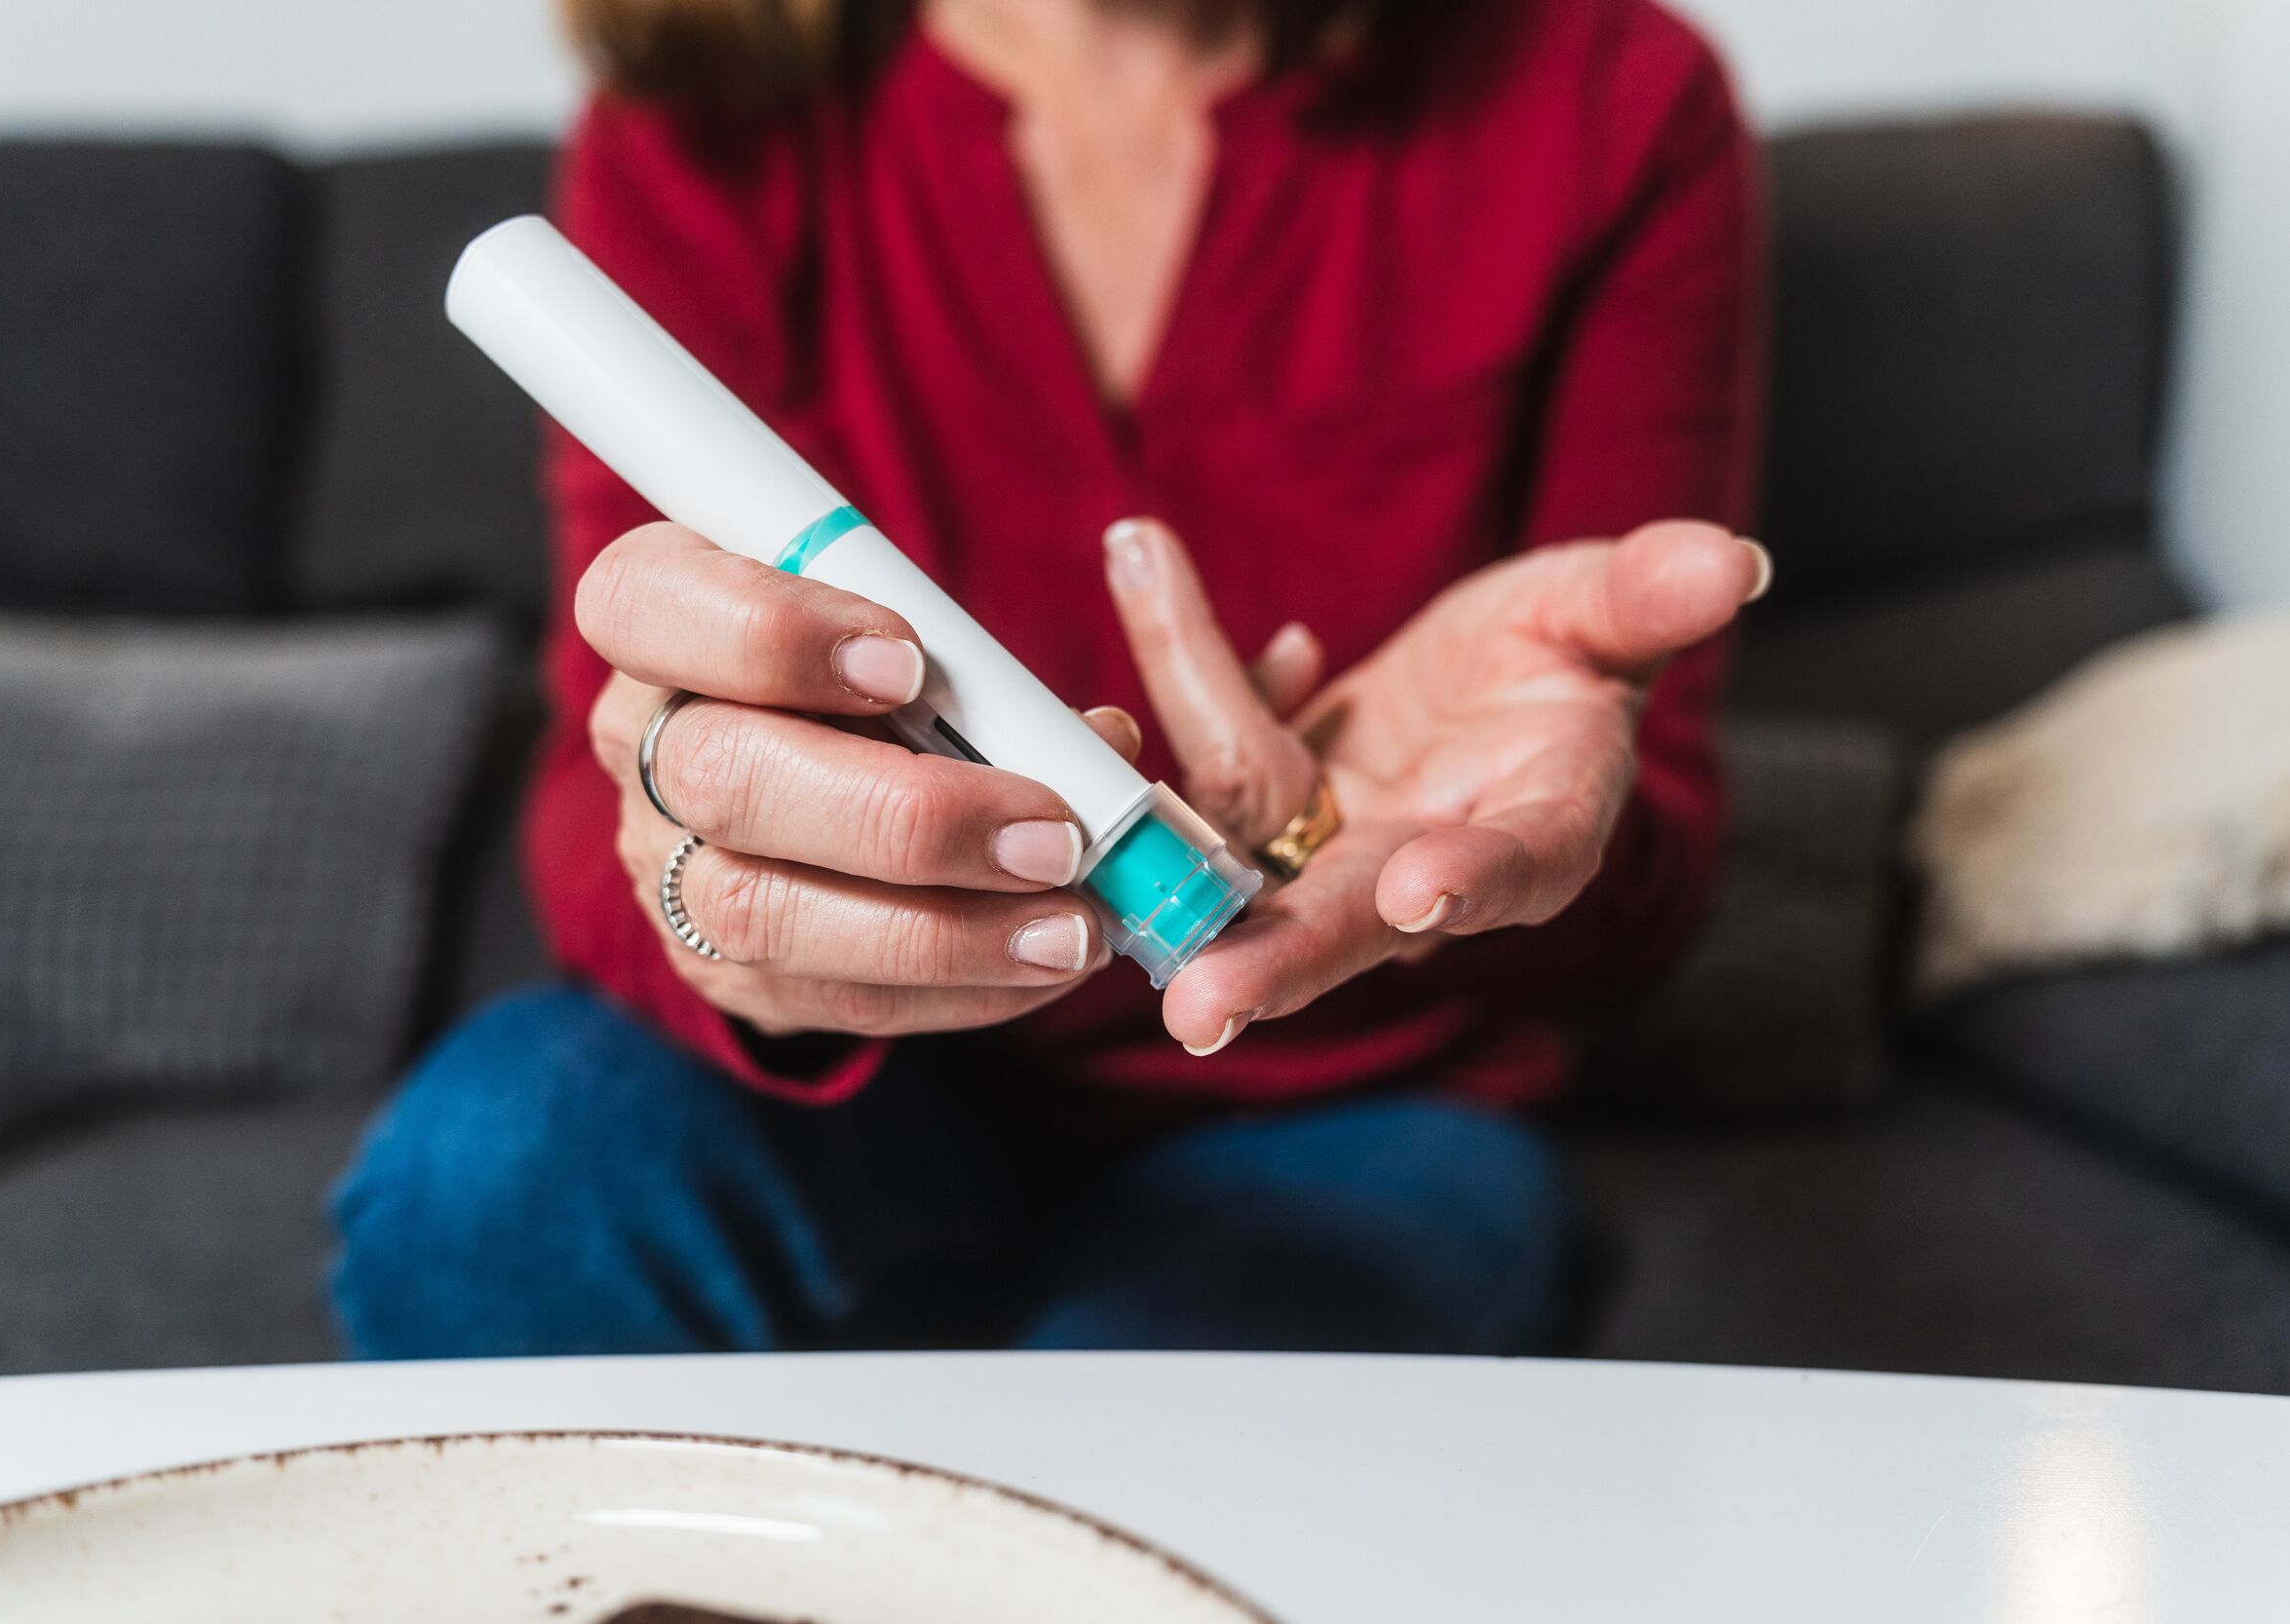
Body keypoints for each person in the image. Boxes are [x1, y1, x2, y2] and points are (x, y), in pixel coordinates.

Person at [330, 0, 1769, 1359]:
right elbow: (611, 775)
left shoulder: (1609, 98)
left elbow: (1645, 898)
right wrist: (719, 883)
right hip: (868, 1084)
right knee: (496, 1169)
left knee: (1150, 1423)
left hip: (1352, 1102)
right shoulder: (701, 125)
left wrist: (1460, 846)